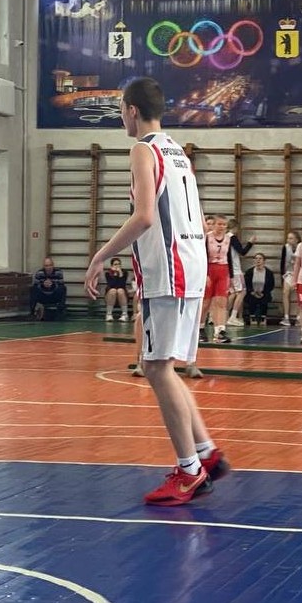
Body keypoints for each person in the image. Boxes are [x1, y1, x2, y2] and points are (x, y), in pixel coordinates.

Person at [84, 76, 226, 505]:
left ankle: (189, 470)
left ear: (131, 110)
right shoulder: (178, 151)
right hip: (193, 263)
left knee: (155, 367)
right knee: (163, 365)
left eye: (121, 112)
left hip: (168, 267)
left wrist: (100, 255)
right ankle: (204, 451)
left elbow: (144, 216)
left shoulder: (142, 150)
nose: (121, 119)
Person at [200, 215, 233, 345]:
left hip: (223, 270)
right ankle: (200, 328)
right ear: (214, 225)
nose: (221, 227)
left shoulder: (229, 239)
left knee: (221, 302)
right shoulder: (207, 238)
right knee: (206, 303)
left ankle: (219, 331)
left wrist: (231, 276)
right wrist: (205, 274)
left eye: (224, 225)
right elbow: (202, 256)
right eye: (219, 224)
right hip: (210, 269)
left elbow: (230, 257)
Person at [224, 218, 255, 327]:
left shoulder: (224, 237)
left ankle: (224, 316)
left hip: (228, 269)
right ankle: (232, 317)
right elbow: (242, 252)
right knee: (242, 292)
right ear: (235, 227)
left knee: (232, 293)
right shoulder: (232, 238)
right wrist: (250, 243)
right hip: (235, 270)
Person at [243, 253, 275, 325]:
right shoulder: (249, 272)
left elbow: (271, 285)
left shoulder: (269, 273)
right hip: (252, 293)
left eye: (260, 258)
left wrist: (263, 293)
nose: (258, 260)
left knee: (265, 299)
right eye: (256, 258)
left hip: (264, 293)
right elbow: (246, 284)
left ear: (264, 261)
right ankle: (252, 316)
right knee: (251, 299)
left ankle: (263, 317)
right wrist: (252, 292)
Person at [278, 230, 299, 326]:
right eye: (288, 238)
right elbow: (282, 263)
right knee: (285, 292)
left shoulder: (301, 247)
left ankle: (299, 317)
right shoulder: (285, 247)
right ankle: (286, 317)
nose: (288, 240)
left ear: (296, 239)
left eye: (291, 238)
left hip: (299, 273)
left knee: (300, 295)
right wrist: (282, 276)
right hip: (289, 272)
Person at [103, 257, 132, 321]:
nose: (117, 266)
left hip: (122, 296)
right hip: (110, 296)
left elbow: (121, 285)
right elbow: (111, 285)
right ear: (112, 266)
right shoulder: (108, 273)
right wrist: (115, 275)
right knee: (113, 290)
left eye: (119, 264)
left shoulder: (125, 273)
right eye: (115, 264)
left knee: (120, 290)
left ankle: (125, 314)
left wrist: (120, 274)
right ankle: (109, 314)